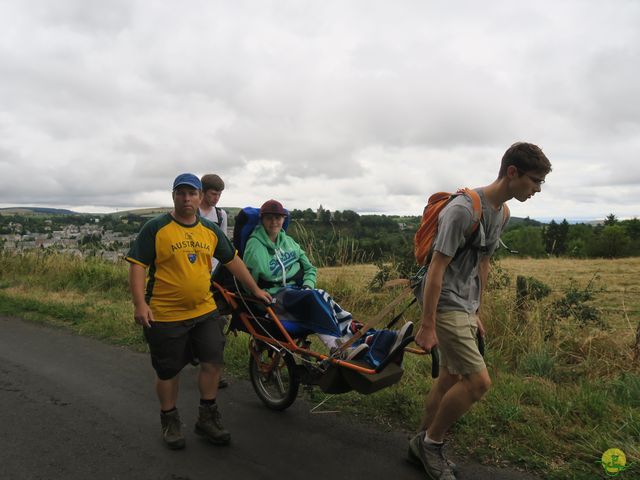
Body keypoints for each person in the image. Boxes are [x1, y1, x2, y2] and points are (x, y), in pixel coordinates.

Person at [409, 142, 552, 479]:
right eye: (534, 181)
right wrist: (428, 324)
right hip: (443, 302)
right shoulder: (463, 210)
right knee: (478, 382)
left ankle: (420, 442)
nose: (537, 189)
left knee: (451, 377)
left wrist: (476, 310)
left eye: (541, 183)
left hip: (464, 305)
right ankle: (432, 444)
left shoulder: (502, 213)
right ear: (512, 172)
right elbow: (436, 269)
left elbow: (482, 263)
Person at [126, 173, 271, 450]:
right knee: (169, 371)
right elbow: (137, 265)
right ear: (173, 196)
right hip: (165, 314)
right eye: (181, 193)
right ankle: (169, 420)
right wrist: (139, 304)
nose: (186, 198)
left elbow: (232, 260)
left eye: (191, 193)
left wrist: (254, 290)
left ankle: (207, 417)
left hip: (205, 309)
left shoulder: (209, 229)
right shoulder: (156, 228)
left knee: (212, 361)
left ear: (198, 195)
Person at [242, 199, 414, 363]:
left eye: (278, 218)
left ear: (284, 219)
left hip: (297, 293)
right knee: (315, 298)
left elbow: (310, 269)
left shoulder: (289, 242)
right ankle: (337, 348)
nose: (274, 222)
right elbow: (246, 279)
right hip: (274, 298)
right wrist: (258, 298)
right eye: (269, 218)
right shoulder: (254, 247)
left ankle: (377, 337)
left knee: (323, 298)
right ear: (262, 220)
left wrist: (307, 286)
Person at [198, 173, 230, 388]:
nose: (216, 198)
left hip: (215, 275)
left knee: (218, 320)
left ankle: (211, 368)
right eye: (213, 193)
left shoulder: (221, 214)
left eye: (219, 194)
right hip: (195, 276)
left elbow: (223, 243)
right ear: (202, 191)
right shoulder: (193, 211)